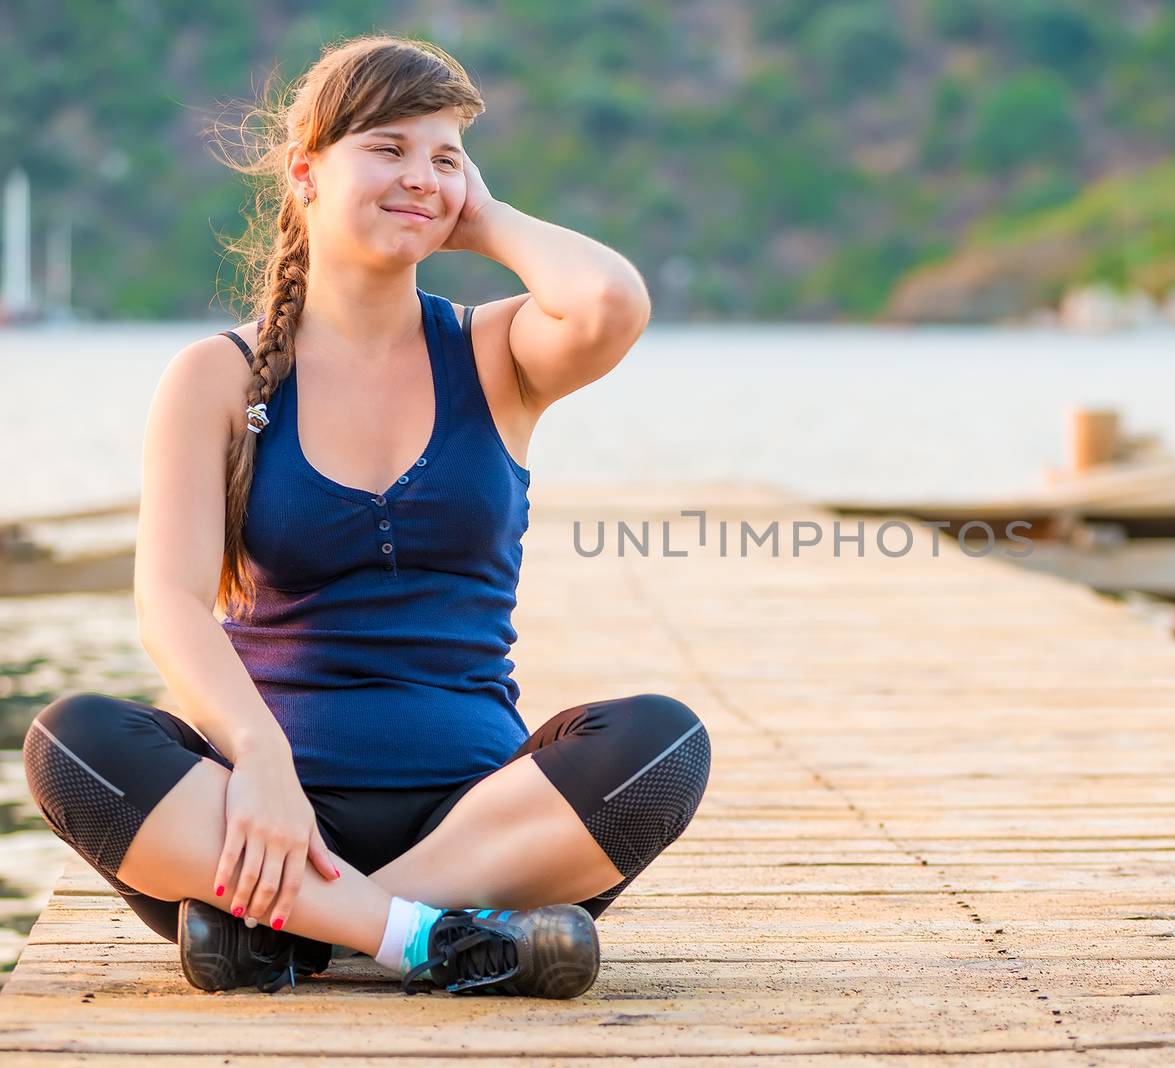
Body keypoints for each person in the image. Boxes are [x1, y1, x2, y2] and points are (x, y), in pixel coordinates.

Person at [22, 34, 711, 998]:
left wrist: (484, 217)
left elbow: (609, 302)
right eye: (387, 148)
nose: (419, 176)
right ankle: (446, 942)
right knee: (69, 741)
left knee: (664, 744)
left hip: (478, 824)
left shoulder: (494, 352)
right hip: (262, 814)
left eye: (445, 156)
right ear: (305, 173)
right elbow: (168, 603)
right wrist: (259, 763)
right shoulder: (217, 378)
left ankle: (303, 932)